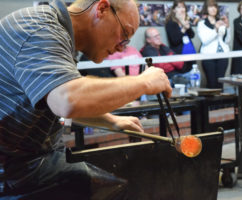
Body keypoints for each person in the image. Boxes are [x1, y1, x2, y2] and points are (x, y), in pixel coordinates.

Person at [0, 0, 172, 199]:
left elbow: (57, 100)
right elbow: (67, 100)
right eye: (124, 35)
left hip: (29, 160)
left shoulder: (56, 32)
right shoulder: (38, 29)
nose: (121, 47)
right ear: (101, 9)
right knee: (117, 189)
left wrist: (111, 121)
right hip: (12, 170)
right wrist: (144, 83)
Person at [197, 0, 230, 89]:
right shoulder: (202, 24)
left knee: (220, 83)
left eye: (215, 6)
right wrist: (215, 29)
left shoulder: (220, 21)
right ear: (206, 9)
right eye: (210, 7)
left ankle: (221, 103)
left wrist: (228, 27)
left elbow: (227, 40)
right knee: (211, 83)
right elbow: (205, 40)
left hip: (223, 55)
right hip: (208, 57)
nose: (213, 9)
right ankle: (211, 103)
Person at [165, 0, 196, 72]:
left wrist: (184, 23)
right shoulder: (171, 23)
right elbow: (175, 41)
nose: (182, 10)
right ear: (174, 10)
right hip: (180, 59)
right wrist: (184, 28)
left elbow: (192, 35)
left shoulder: (185, 20)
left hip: (191, 56)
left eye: (183, 7)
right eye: (179, 7)